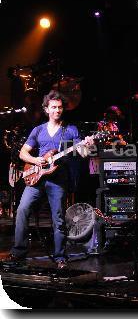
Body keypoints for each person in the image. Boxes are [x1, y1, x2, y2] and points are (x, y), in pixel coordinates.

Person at [3, 90, 94, 269]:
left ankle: (60, 257)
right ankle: (18, 253)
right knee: (22, 210)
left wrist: (88, 146)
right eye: (53, 107)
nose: (57, 110)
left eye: (60, 107)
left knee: (58, 218)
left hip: (58, 180)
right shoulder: (38, 130)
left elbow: (82, 154)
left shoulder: (71, 130)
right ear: (46, 109)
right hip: (37, 177)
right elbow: (23, 153)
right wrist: (36, 160)